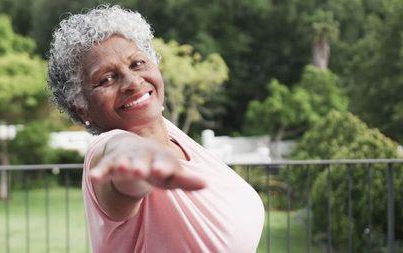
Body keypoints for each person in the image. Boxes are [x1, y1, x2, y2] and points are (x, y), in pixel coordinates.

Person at [47, 5, 264, 253]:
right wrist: (132, 167)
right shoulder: (107, 148)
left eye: (137, 63)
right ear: (82, 107)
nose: (132, 82)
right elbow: (118, 159)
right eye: (106, 79)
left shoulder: (172, 134)